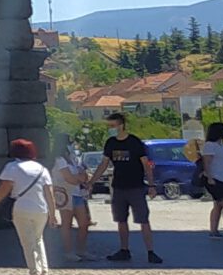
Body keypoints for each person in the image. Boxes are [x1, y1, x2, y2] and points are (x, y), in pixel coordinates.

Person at [0, 136, 55, 275]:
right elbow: (49, 193)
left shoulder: (12, 167)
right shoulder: (42, 169)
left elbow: (4, 188)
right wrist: (53, 213)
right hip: (41, 208)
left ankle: (34, 273)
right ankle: (44, 271)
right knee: (38, 239)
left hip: (21, 208)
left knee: (27, 242)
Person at [98, 111, 162, 264]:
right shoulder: (111, 143)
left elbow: (146, 165)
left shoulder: (134, 142)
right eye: (109, 126)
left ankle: (151, 251)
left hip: (136, 187)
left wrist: (152, 185)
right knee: (121, 220)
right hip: (118, 187)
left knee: (143, 220)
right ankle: (124, 250)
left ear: (121, 125)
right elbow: (104, 164)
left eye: (113, 126)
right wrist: (92, 181)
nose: (111, 129)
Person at [53, 140, 98, 264]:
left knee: (84, 223)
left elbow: (84, 173)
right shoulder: (59, 160)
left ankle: (81, 250)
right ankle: (68, 252)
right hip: (66, 194)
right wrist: (79, 178)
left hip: (78, 194)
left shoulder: (74, 158)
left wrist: (80, 177)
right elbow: (70, 178)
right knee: (66, 224)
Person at [197, 120, 223, 236]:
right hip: (215, 178)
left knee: (218, 205)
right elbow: (207, 162)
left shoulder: (222, 146)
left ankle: (214, 230)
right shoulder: (210, 146)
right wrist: (210, 177)